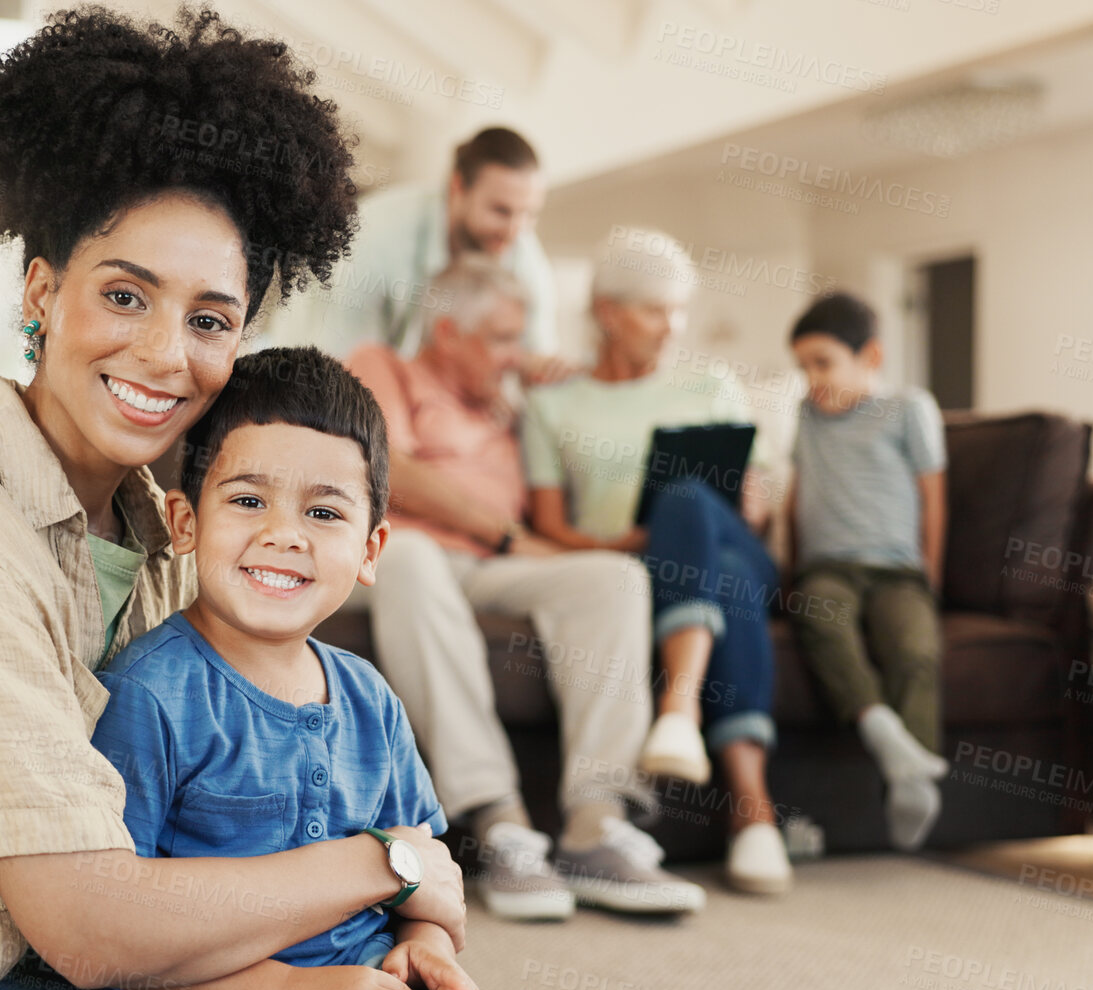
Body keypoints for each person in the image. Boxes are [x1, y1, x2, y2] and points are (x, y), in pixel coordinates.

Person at [0, 11, 470, 990]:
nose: (170, 354)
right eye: (127, 296)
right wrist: (389, 860)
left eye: (210, 319)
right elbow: (88, 927)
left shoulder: (168, 531)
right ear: (42, 291)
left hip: (136, 985)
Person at [89, 346, 497, 990]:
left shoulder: (370, 698)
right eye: (248, 500)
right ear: (185, 522)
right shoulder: (150, 693)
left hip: (370, 982)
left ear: (370, 549)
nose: (283, 534)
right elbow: (117, 934)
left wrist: (428, 952)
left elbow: (423, 880)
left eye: (324, 513)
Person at [344, 257, 706, 922]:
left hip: (489, 569)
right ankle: (499, 820)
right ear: (449, 332)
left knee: (613, 580)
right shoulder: (383, 367)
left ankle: (594, 824)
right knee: (412, 555)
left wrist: (556, 389)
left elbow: (555, 491)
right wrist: (502, 531)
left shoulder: (509, 403)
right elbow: (380, 465)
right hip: (400, 557)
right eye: (504, 338)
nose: (519, 354)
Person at [521, 227, 792, 895]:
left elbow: (749, 512)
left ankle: (678, 705)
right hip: (644, 572)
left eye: (678, 310)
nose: (671, 327)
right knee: (708, 560)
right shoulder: (551, 403)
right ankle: (752, 811)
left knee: (691, 505)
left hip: (738, 550)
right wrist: (635, 544)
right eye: (652, 310)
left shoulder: (711, 383)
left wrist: (750, 499)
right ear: (608, 312)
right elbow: (550, 524)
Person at [785, 292, 950, 851]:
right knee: (823, 618)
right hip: (828, 567)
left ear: (871, 357)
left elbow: (933, 496)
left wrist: (932, 576)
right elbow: (794, 494)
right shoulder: (805, 415)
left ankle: (913, 779)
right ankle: (881, 728)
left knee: (914, 647)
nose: (812, 379)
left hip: (897, 571)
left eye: (823, 363)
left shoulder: (909, 408)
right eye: (803, 367)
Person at [270, 127, 566, 381]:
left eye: (529, 214)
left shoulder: (522, 253)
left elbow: (536, 356)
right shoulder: (378, 235)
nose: (515, 231)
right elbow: (343, 364)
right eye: (500, 211)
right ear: (457, 187)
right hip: (299, 370)